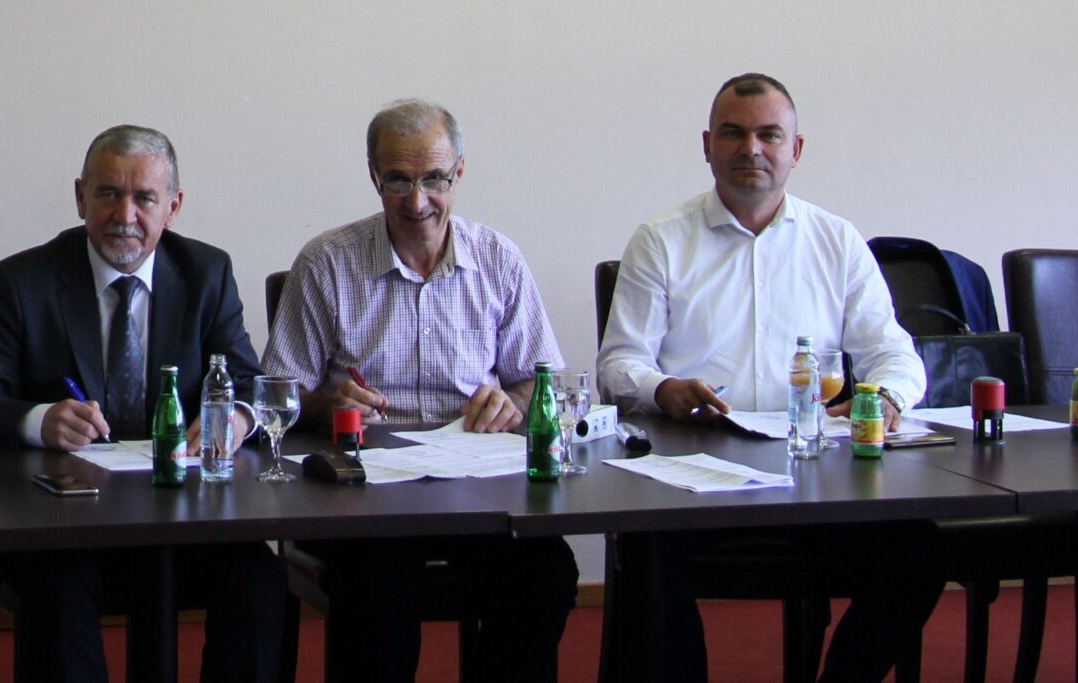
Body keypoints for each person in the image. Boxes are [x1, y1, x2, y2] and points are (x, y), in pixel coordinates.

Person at [598, 72, 938, 683]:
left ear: (795, 149)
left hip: (816, 477)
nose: (750, 148)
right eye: (733, 133)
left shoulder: (836, 241)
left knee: (920, 550)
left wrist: (884, 397)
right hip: (691, 478)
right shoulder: (661, 241)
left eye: (769, 135)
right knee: (646, 550)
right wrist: (662, 389)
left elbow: (896, 355)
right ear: (707, 146)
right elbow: (618, 365)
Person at [0, 125, 284, 683]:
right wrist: (38, 420)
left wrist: (235, 419)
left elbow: (248, 383)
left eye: (144, 198)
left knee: (260, 581)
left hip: (183, 519)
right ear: (80, 198)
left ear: (173, 207)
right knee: (57, 589)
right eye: (108, 194)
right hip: (65, 527)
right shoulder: (26, 281)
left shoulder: (206, 274)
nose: (125, 215)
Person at [262, 99, 577, 683]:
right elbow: (275, 394)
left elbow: (543, 382)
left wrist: (513, 401)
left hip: (477, 487)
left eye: (434, 179)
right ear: (373, 176)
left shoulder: (499, 261)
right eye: (398, 181)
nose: (417, 201)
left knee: (546, 573)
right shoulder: (328, 263)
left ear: (459, 173)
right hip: (362, 496)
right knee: (378, 590)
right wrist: (326, 406)